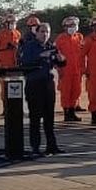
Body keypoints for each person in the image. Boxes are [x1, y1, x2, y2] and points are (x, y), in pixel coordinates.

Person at [18, 21, 66, 155]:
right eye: (42, 31)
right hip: (34, 84)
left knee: (49, 117)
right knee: (35, 117)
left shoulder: (51, 46)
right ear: (37, 33)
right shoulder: (29, 46)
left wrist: (61, 59)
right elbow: (24, 63)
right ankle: (35, 147)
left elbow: (60, 63)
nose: (45, 34)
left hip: (48, 84)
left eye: (47, 32)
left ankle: (52, 146)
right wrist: (40, 56)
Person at [55, 16, 86, 121]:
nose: (73, 27)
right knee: (66, 92)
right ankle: (66, 113)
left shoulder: (79, 37)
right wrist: (59, 69)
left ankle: (72, 111)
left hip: (77, 70)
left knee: (76, 91)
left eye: (74, 25)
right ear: (65, 27)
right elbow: (55, 55)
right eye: (70, 26)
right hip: (65, 70)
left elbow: (82, 53)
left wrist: (83, 68)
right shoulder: (60, 39)